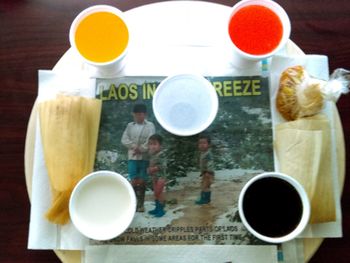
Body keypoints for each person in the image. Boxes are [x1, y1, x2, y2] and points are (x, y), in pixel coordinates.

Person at [121, 103, 155, 212]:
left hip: (144, 157)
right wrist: (133, 146)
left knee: (142, 180)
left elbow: (151, 139)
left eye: (141, 114)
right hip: (132, 157)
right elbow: (124, 139)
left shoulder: (150, 126)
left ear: (145, 114)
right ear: (133, 115)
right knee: (134, 180)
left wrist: (141, 149)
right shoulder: (130, 126)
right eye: (136, 114)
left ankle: (141, 204)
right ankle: (134, 203)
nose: (139, 116)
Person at [147, 134, 167, 217]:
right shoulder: (152, 155)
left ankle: (161, 209)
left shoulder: (161, 154)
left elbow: (163, 166)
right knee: (156, 193)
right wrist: (149, 169)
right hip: (154, 177)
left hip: (160, 177)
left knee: (159, 193)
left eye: (155, 144)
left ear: (160, 146)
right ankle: (157, 208)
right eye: (150, 144)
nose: (152, 146)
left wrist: (154, 169)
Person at [195, 133, 215, 205]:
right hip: (205, 173)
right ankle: (207, 199)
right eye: (200, 143)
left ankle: (204, 199)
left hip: (208, 173)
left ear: (208, 145)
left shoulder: (208, 154)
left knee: (205, 186)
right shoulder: (203, 153)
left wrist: (208, 172)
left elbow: (210, 163)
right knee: (205, 185)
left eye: (204, 143)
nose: (202, 145)